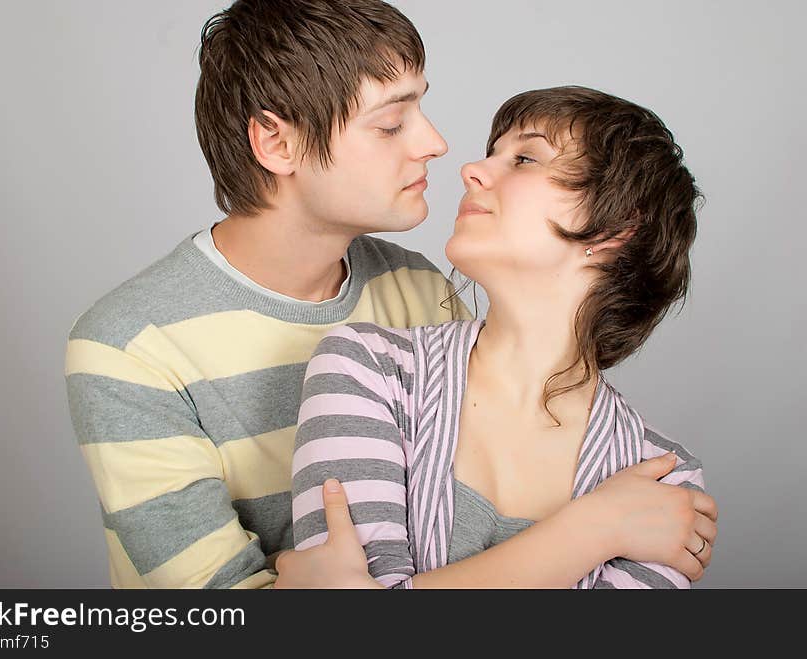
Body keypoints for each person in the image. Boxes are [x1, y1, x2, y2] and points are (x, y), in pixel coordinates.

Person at [64, 0, 470, 589]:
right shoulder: (130, 347)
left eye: (421, 109)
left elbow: (478, 513)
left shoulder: (419, 291)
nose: (433, 142)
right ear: (277, 144)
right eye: (389, 124)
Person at [286, 86, 718, 588]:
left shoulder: (664, 480)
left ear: (614, 228)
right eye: (494, 152)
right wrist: (596, 529)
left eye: (525, 158)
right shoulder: (365, 369)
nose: (473, 169)